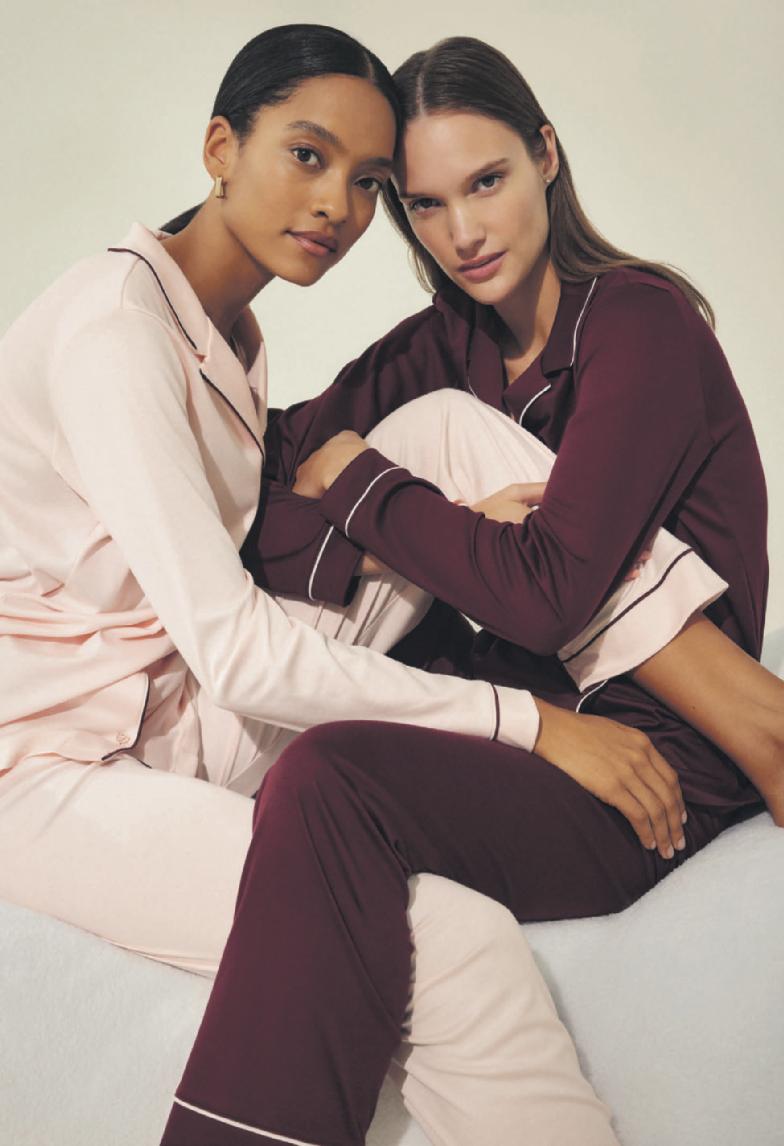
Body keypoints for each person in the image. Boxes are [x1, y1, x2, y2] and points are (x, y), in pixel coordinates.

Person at [0, 24, 723, 1146]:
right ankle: (714, 710)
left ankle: (729, 708)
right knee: (457, 947)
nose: (336, 205)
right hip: (51, 774)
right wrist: (531, 723)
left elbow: (245, 547)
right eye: (307, 155)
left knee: (437, 431)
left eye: (369, 181)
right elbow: (240, 650)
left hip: (176, 714)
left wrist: (412, 534)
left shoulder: (230, 332)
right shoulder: (114, 334)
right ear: (220, 148)